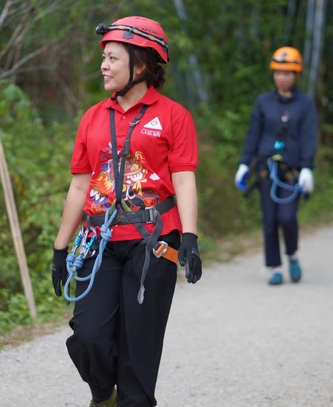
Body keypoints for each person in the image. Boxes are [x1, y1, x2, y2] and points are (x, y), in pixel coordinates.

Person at [51, 16, 201, 407]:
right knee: (89, 336)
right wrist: (60, 248)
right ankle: (103, 393)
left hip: (153, 241)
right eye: (104, 58)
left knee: (140, 348)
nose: (103, 66)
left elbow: (184, 179)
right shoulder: (93, 117)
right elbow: (80, 185)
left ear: (141, 64)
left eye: (113, 58)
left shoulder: (174, 116)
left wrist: (189, 237)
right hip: (98, 241)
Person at [234, 46, 317, 286]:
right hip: (265, 169)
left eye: (287, 73)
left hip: (291, 172)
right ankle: (275, 266)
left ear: (296, 75)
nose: (282, 78)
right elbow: (253, 134)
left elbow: (309, 136)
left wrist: (307, 168)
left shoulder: (305, 103)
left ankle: (292, 254)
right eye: (278, 73)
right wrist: (244, 164)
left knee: (287, 217)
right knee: (269, 220)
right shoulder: (263, 102)